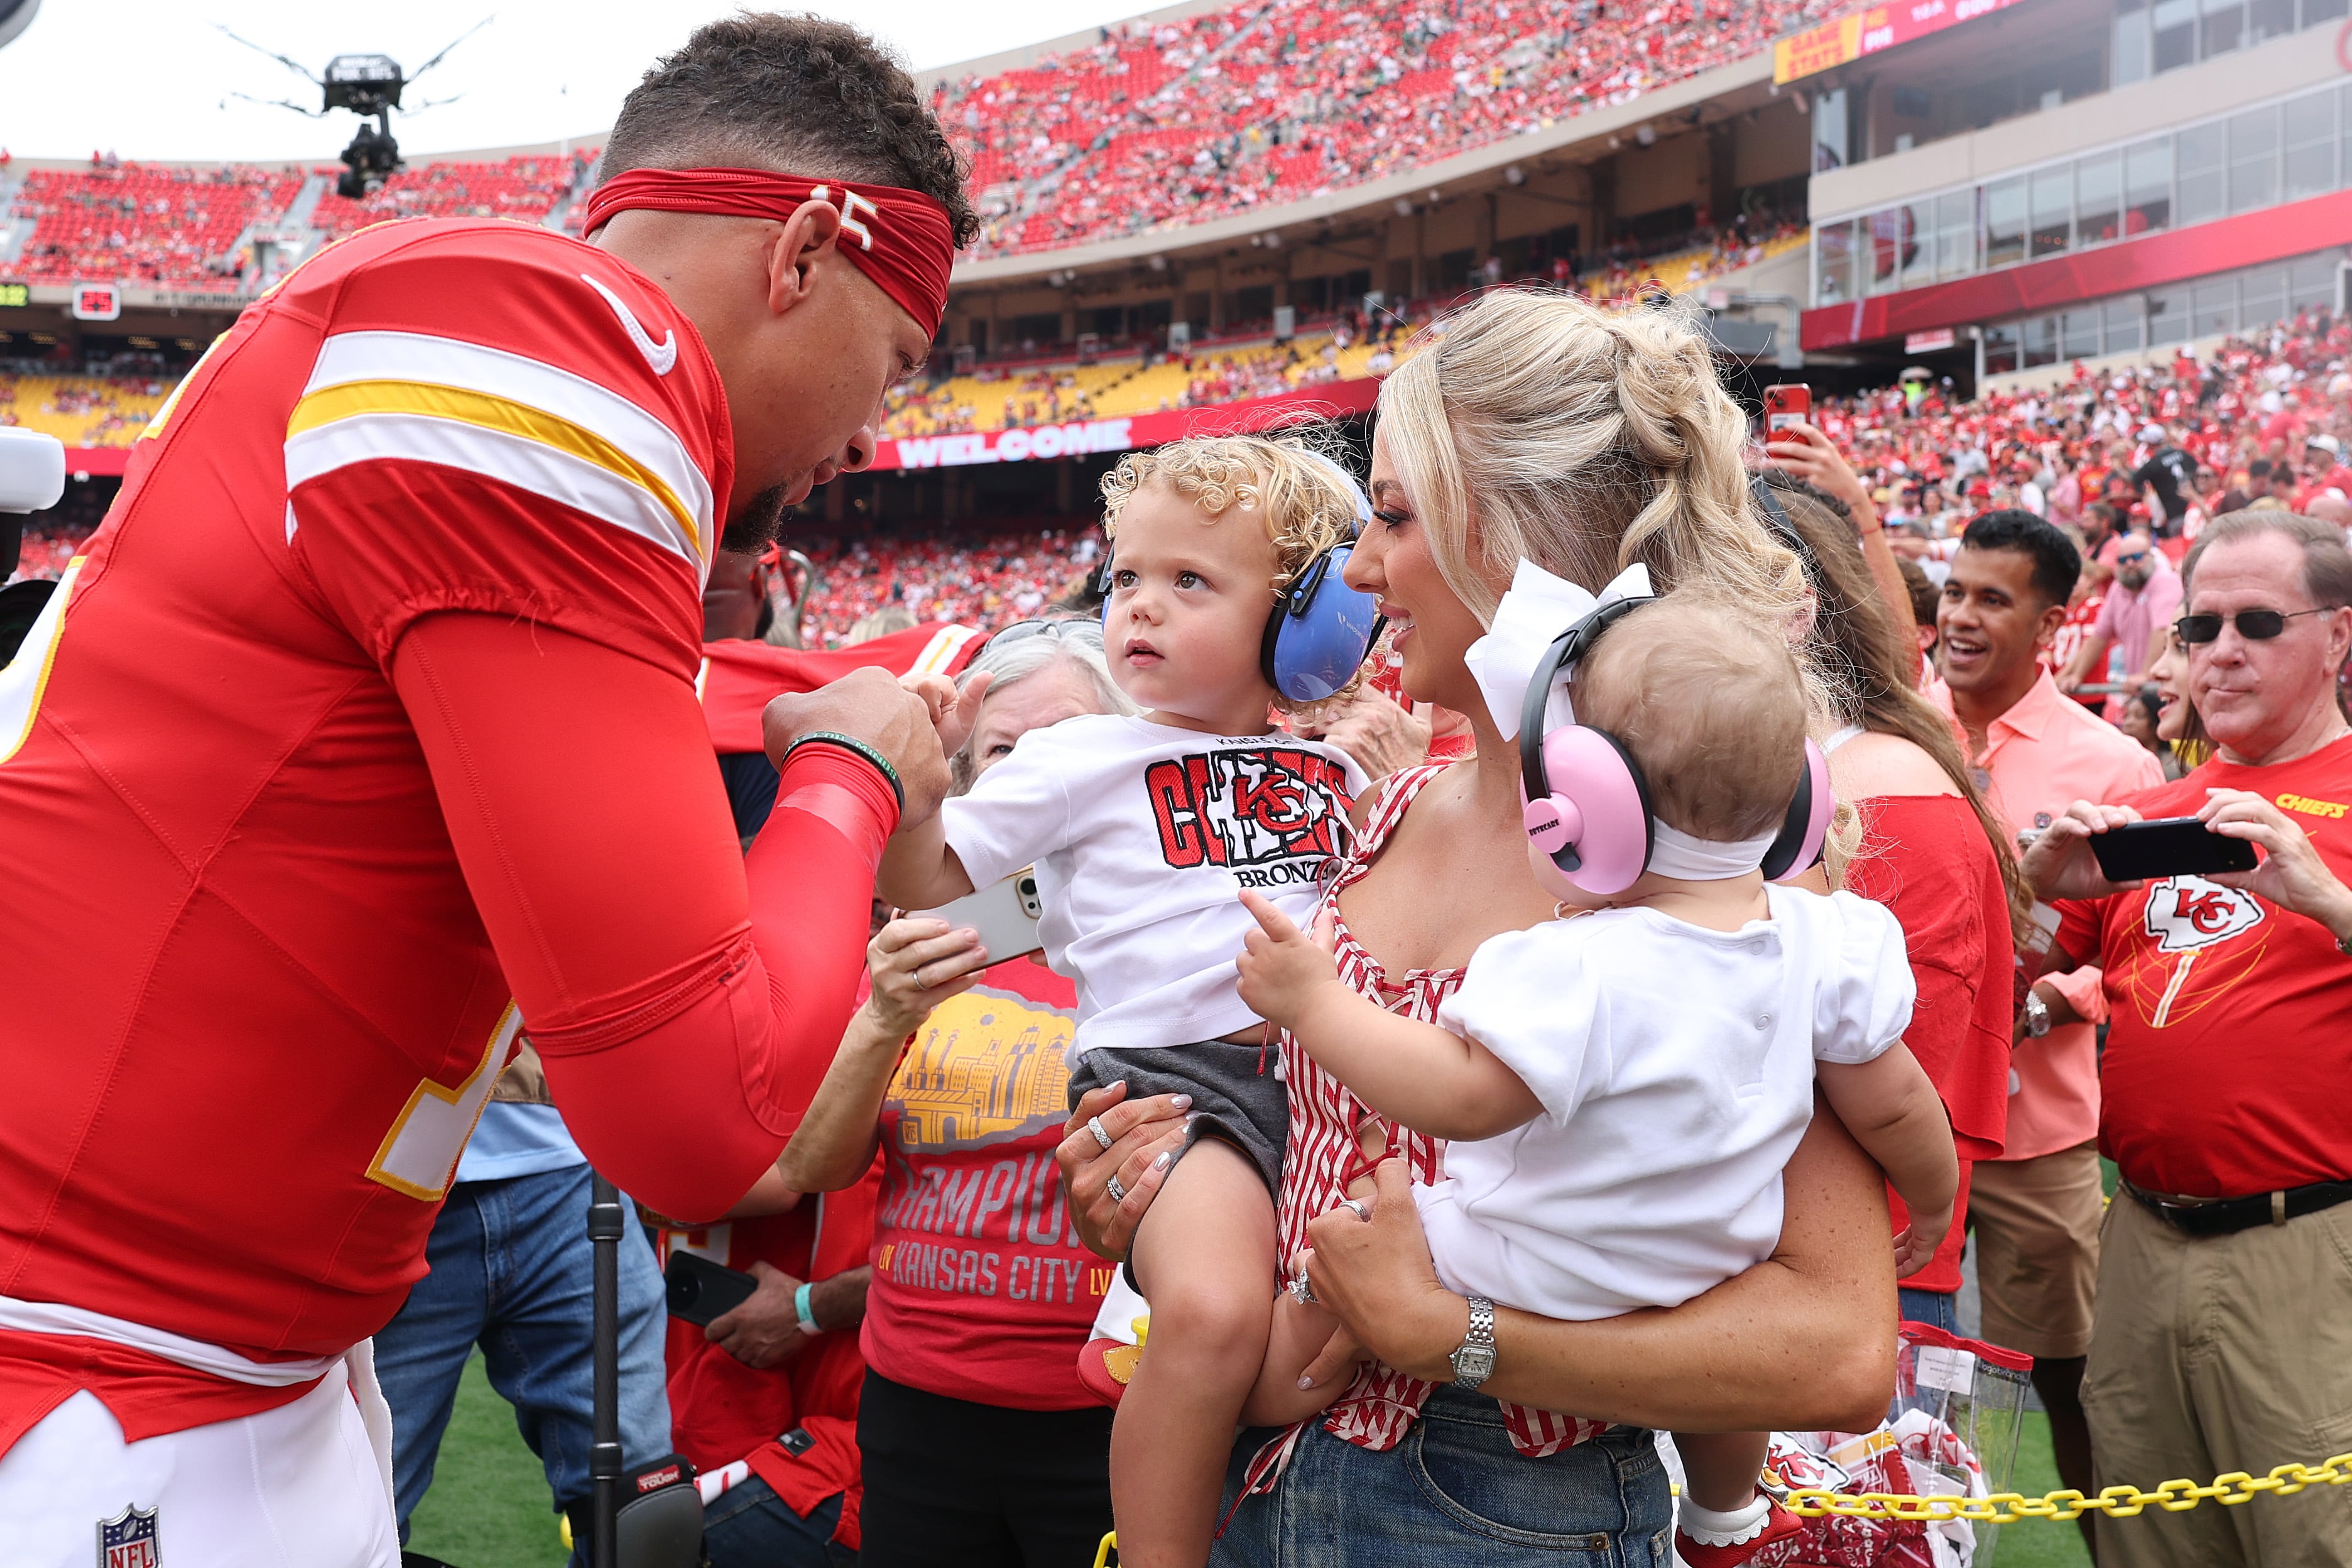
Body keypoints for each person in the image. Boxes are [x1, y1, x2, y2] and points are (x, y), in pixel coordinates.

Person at [0, 16, 978, 1564]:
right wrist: (851, 773)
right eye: (897, 359)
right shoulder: (553, 336)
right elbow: (703, 1113)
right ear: (801, 251)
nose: (869, 436)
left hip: (197, 1352)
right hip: (98, 1375)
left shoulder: (494, 334)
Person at [1060, 290, 1900, 1565]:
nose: (1354, 572)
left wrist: (1456, 1336)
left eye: (1392, 516)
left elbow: (1839, 1351)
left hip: (1506, 1516)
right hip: (1274, 1486)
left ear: (1527, 537)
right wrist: (1151, 1187)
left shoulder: (1709, 884)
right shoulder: (1389, 809)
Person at [1235, 589, 1954, 1568]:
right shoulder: (1832, 938)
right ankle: (1724, 1509)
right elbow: (1898, 1102)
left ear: (1591, 803)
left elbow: (1461, 1097)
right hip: (1703, 1274)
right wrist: (1933, 1195)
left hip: (1515, 1278)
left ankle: (1270, 1390)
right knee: (1714, 1347)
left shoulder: (1573, 964)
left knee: (1364, 1239)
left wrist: (1316, 1007)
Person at [877, 436, 1371, 1568]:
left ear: (1307, 624)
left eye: (1188, 582)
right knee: (1206, 1316)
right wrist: (918, 781)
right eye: (1126, 578)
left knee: (1326, 1338)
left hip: (1329, 1083)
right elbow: (930, 886)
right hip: (1174, 1082)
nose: (1139, 607)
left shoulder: (1335, 774)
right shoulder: (1085, 758)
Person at [758, 618, 1139, 1567]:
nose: (1037, 774)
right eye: (1005, 750)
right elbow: (814, 1164)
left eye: (1069, 744)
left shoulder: (1160, 936)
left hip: (1105, 1409)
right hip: (917, 1405)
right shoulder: (928, 939)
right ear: (968, 779)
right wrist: (884, 1014)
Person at [2022, 509, 2352, 1568]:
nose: (2218, 650)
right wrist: (2034, 899)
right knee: (2147, 1544)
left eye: (2255, 622)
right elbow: (2018, 984)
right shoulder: (2155, 807)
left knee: (2310, 1538)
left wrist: (2329, 902)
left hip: (2308, 1244)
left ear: (2336, 638)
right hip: (2143, 1239)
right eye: (2197, 624)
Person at [1933, 508, 2165, 1555]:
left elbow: (2140, 963)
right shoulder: (1891, 733)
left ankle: (2105, 1550)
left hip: (2038, 1136)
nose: (1961, 617)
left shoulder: (2111, 767)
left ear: (2051, 621)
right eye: (1951, 593)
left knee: (2064, 1381)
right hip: (1908, 1122)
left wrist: (2046, 1001)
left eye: (1992, 598)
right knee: (1897, 1372)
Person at [1763, 476, 2021, 1332]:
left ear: (1791, 610)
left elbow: (1897, 1073)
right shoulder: (1754, 773)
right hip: (1761, 1262)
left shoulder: (1894, 796)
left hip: (1862, 1276)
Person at [2059, 529, 2182, 722]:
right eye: (2123, 560)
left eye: (2136, 557)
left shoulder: (2165, 581)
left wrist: (2145, 674)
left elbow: (2162, 631)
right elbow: (2098, 637)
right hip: (2141, 690)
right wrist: (2077, 676)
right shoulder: (2119, 588)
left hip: (2166, 686)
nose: (2130, 564)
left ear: (2151, 556)